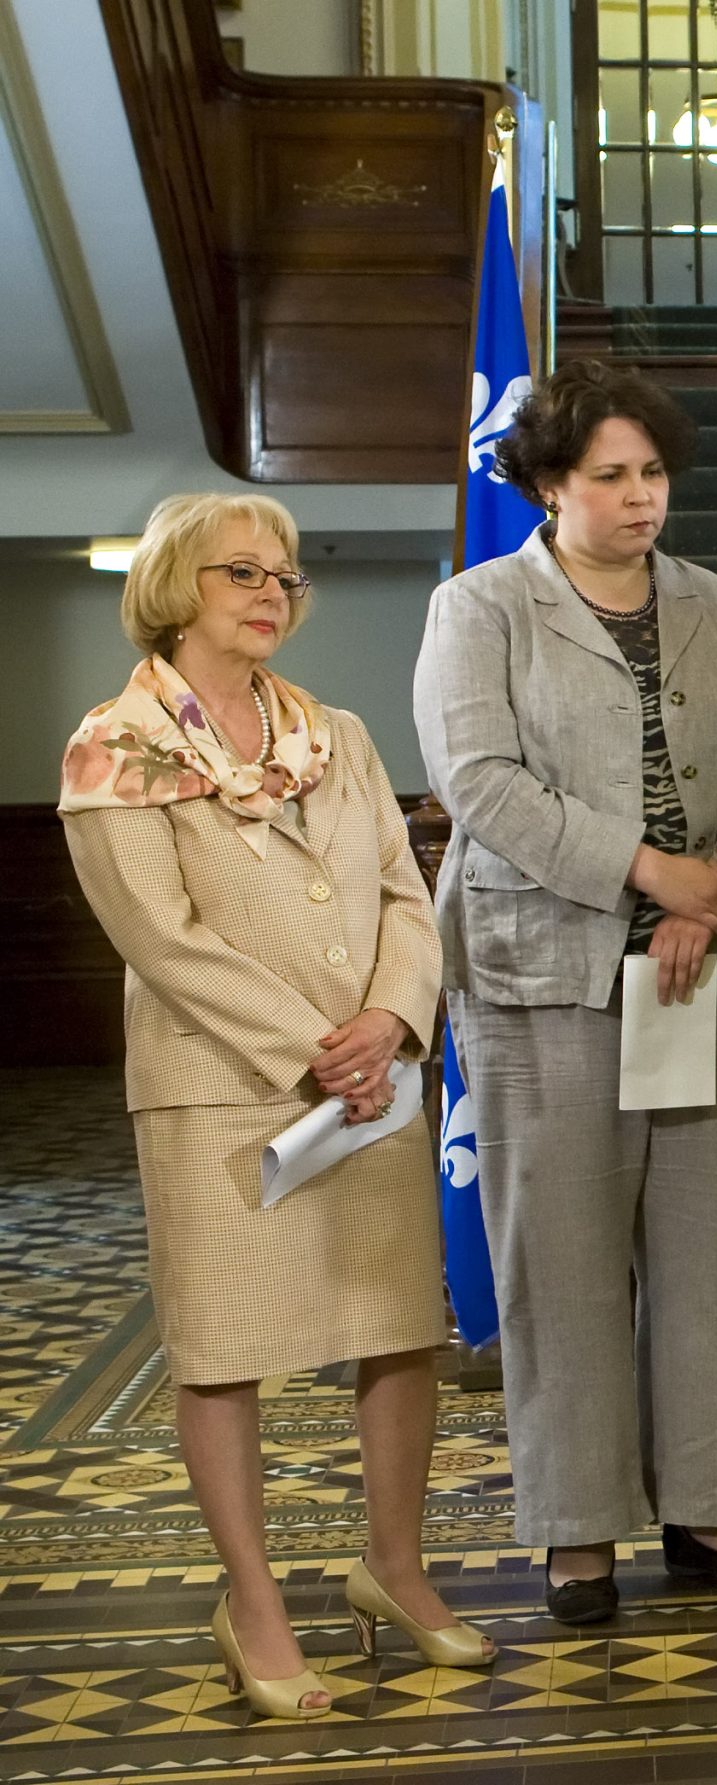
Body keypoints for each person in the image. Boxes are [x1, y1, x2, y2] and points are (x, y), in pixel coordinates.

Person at [60, 493, 494, 1719]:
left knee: (397, 1325)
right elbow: (162, 941)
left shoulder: (339, 735)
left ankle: (393, 1568)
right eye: (240, 572)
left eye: (287, 576)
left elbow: (409, 897)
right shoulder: (116, 745)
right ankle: (250, 1601)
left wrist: (393, 1022)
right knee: (225, 1351)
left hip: (368, 1084)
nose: (271, 592)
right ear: (173, 587)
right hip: (220, 1093)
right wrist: (317, 1047)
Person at [415, 360, 717, 1627]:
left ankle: (709, 1510)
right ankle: (578, 1532)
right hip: (549, 976)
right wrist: (652, 876)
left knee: (708, 1256)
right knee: (566, 1260)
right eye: (611, 477)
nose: (642, 499)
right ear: (546, 484)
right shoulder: (481, 609)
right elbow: (481, 784)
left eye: (653, 475)